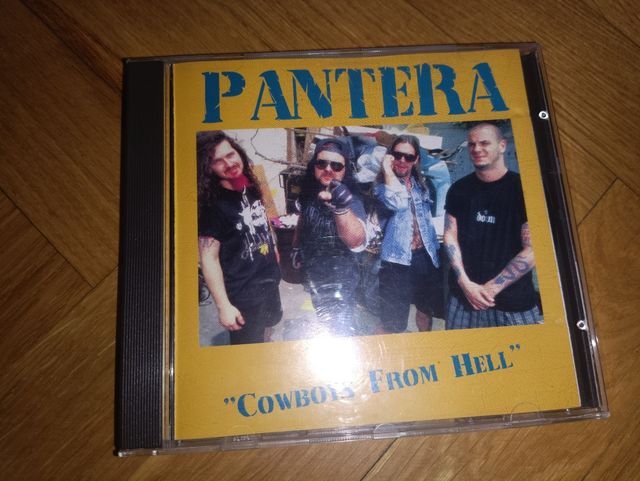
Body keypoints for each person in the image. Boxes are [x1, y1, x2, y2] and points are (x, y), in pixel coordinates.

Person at [443, 122, 541, 329]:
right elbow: (450, 235)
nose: (477, 149)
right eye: (472, 144)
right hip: (463, 300)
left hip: (511, 305)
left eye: (484, 143)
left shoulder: (523, 190)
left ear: (502, 145)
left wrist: (489, 290)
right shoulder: (459, 189)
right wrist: (465, 284)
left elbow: (533, 248)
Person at [197, 131, 282, 344]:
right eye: (218, 161)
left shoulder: (248, 184)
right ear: (208, 168)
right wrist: (223, 306)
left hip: (270, 280)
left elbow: (261, 218)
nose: (229, 163)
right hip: (244, 294)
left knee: (269, 325)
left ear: (238, 152)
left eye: (230, 154)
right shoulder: (211, 206)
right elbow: (209, 258)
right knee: (248, 345)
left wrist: (273, 247)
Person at [293, 137, 367, 336]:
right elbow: (302, 219)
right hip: (314, 276)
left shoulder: (352, 200)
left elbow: (356, 240)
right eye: (321, 163)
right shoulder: (309, 192)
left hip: (341, 283)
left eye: (336, 165)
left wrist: (341, 207)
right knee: (323, 323)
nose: (328, 169)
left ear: (344, 170)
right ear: (314, 166)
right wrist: (296, 247)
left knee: (341, 331)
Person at [373, 135, 443, 333]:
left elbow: (426, 221)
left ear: (416, 160)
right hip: (396, 263)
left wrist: (436, 254)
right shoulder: (381, 186)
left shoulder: (421, 185)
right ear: (390, 156)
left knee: (425, 310)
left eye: (409, 157)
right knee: (392, 322)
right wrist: (387, 170)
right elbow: (397, 202)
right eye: (397, 155)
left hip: (425, 258)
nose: (402, 160)